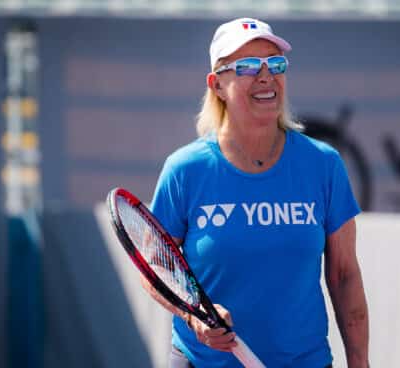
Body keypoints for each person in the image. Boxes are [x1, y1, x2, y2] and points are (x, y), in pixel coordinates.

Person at [147, 17, 369, 368]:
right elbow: (156, 266)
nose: (266, 76)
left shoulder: (323, 165)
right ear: (217, 84)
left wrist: (360, 362)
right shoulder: (185, 170)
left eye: (275, 64)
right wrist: (194, 315)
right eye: (248, 66)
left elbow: (344, 275)